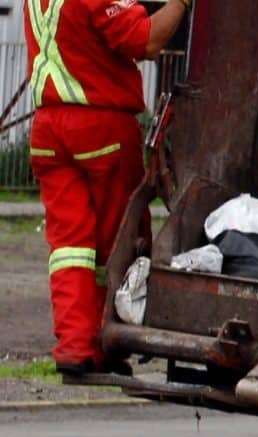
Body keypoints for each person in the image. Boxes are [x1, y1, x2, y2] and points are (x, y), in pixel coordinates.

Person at [25, 0, 191, 376]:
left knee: (69, 248)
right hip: (100, 127)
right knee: (117, 241)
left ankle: (75, 348)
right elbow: (145, 41)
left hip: (48, 131)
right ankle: (111, 340)